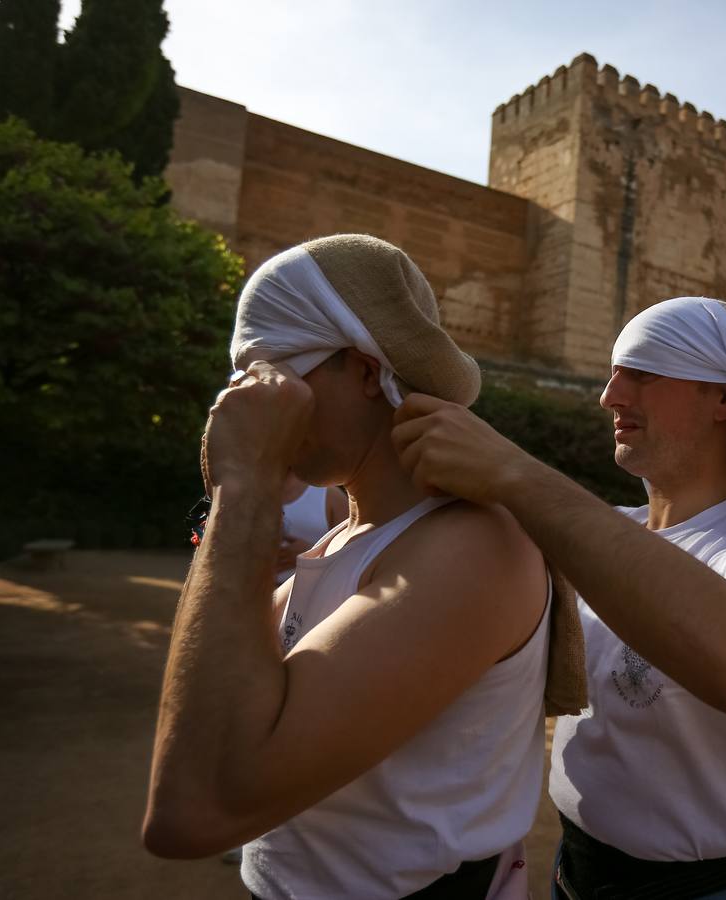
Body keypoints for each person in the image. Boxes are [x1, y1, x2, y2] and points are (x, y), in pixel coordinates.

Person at [142, 234, 585, 900]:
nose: (244, 401)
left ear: (363, 368)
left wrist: (244, 490)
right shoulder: (343, 540)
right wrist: (239, 504)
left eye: (268, 374)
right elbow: (221, 703)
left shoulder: (470, 548)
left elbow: (195, 806)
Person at [392, 296, 726, 898]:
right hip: (573, 875)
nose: (610, 395)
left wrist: (517, 474)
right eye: (614, 372)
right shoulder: (606, 532)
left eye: (643, 373)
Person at [275, 473, 349, 585]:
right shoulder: (247, 493)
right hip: (257, 594)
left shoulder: (330, 496)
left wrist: (312, 555)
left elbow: (352, 556)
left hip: (316, 592)